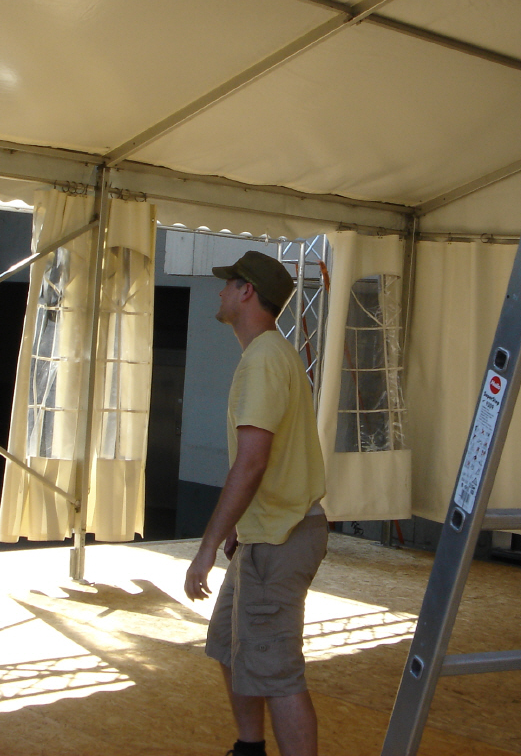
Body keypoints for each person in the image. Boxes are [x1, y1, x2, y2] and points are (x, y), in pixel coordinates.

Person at [185, 250, 328, 756]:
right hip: (267, 533)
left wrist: (206, 547)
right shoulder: (270, 355)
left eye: (229, 283)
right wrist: (237, 526)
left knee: (277, 671)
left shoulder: (264, 360)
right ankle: (249, 749)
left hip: (279, 540)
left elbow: (251, 463)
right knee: (230, 645)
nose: (220, 290)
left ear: (246, 291)